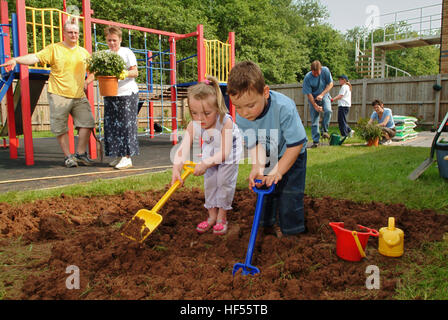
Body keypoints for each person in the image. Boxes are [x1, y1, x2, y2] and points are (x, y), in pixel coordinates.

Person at [227, 61, 308, 237]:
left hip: (292, 154)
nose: (244, 112)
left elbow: (296, 144)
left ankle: (292, 234)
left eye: (250, 105)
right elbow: (255, 145)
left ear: (265, 92)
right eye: (238, 107)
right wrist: (258, 168)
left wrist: (278, 172)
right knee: (265, 192)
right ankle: (266, 227)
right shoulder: (241, 117)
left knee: (289, 196)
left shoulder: (284, 107)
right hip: (268, 152)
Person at [0, 22, 95, 168]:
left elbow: (94, 70)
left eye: (76, 32)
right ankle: (68, 157)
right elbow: (35, 58)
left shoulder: (83, 53)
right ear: (64, 33)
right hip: (58, 94)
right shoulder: (54, 49)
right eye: (70, 32)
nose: (74, 35)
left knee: (87, 122)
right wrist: (16, 60)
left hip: (78, 95)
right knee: (60, 127)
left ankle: (80, 154)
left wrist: (87, 81)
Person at [171, 76, 242, 235]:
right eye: (194, 113)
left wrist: (206, 163)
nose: (200, 118)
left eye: (206, 113)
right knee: (210, 182)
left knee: (223, 182)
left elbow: (224, 153)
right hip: (212, 149)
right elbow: (183, 148)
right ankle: (211, 216)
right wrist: (176, 168)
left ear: (217, 108)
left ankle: (222, 217)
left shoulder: (226, 122)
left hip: (228, 151)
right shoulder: (194, 124)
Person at [87, 26, 139, 170]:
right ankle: (118, 155)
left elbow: (135, 72)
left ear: (120, 40)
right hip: (110, 94)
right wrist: (86, 82)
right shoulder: (104, 54)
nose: (112, 43)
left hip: (127, 94)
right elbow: (95, 72)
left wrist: (124, 74)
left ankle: (127, 157)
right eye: (109, 40)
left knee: (125, 125)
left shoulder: (126, 52)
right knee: (112, 126)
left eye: (114, 40)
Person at [302, 60, 334, 148]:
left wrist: (322, 94)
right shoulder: (307, 77)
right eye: (314, 73)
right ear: (311, 70)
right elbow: (308, 94)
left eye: (317, 73)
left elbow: (330, 84)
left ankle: (324, 131)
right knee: (315, 120)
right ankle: (316, 141)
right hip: (313, 98)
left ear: (321, 69)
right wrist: (315, 105)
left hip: (325, 94)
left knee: (328, 111)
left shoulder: (325, 71)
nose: (316, 75)